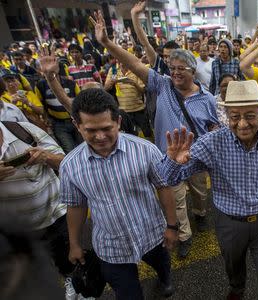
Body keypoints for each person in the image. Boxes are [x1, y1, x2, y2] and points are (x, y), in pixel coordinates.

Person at [91, 10, 220, 258]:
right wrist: (107, 43)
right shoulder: (162, 85)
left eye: (181, 68)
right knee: (176, 198)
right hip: (167, 158)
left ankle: (202, 214)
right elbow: (134, 64)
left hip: (197, 159)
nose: (175, 72)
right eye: (172, 68)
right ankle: (184, 235)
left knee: (200, 193)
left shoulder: (208, 99)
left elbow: (214, 129)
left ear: (193, 71)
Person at [159, 80, 258, 300]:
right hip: (229, 224)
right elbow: (168, 178)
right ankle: (237, 289)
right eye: (234, 116)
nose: (242, 124)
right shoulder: (211, 143)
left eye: (249, 115)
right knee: (233, 267)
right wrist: (175, 162)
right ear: (226, 116)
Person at [59, 89, 178, 299]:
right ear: (77, 125)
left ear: (119, 122)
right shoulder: (70, 165)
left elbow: (163, 186)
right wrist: (75, 245)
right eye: (90, 130)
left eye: (107, 128)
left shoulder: (145, 150)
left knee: (162, 266)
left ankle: (165, 280)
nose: (100, 136)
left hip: (153, 235)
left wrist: (171, 226)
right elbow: (76, 206)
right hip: (111, 247)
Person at [0, 118, 74, 298]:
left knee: (68, 261)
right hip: (16, 233)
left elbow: (67, 163)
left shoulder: (21, 130)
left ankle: (74, 283)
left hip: (54, 217)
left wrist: (46, 157)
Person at [35, 62, 83, 153]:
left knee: (84, 146)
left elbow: (80, 101)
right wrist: (46, 118)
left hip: (76, 120)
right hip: (58, 123)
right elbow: (41, 103)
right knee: (70, 150)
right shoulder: (40, 86)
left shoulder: (71, 83)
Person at [104, 62, 150, 138]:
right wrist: (112, 82)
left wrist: (133, 83)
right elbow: (105, 88)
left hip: (139, 109)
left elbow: (143, 91)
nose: (121, 62)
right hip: (123, 112)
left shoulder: (135, 69)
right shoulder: (113, 70)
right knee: (128, 136)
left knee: (146, 134)